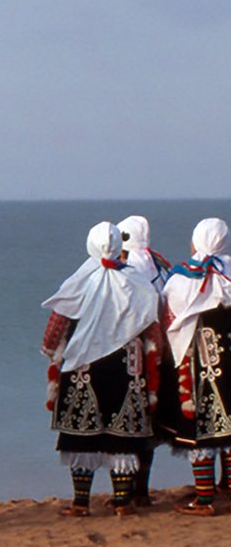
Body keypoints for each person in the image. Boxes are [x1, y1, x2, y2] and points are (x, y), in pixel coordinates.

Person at [42, 221, 161, 517]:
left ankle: (81, 502)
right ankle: (122, 501)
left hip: (83, 368)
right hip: (127, 368)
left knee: (83, 436)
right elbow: (153, 331)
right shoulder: (138, 283)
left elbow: (56, 327)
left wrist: (51, 352)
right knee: (122, 437)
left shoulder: (78, 283)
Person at [160, 218, 231, 516]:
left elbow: (168, 316)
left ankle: (204, 499)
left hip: (195, 359)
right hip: (228, 355)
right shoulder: (228, 272)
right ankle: (227, 485)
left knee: (201, 426)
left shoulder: (179, 279)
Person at [116, 215, 171, 505]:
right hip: (161, 353)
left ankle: (130, 491)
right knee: (149, 425)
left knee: (132, 423)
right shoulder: (159, 268)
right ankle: (143, 491)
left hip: (134, 355)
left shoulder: (127, 271)